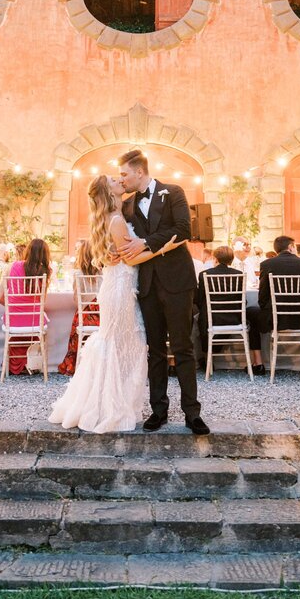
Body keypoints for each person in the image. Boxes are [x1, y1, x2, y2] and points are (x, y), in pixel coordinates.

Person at [50, 175, 182, 432]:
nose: (119, 179)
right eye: (113, 179)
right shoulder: (117, 220)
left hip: (121, 287)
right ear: (107, 191)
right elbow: (130, 260)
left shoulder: (119, 216)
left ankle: (110, 402)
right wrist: (164, 248)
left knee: (123, 345)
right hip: (121, 290)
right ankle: (109, 406)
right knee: (124, 346)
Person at [117, 149, 210, 436]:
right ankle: (158, 411)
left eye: (124, 174)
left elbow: (183, 229)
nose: (122, 180)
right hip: (146, 284)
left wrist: (144, 242)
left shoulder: (173, 191)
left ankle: (192, 413)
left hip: (178, 282)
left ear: (140, 172)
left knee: (183, 347)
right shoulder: (127, 205)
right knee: (154, 351)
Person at [196, 245, 265, 375]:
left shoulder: (204, 274)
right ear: (231, 260)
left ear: (214, 259)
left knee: (202, 314)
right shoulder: (239, 275)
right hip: (235, 318)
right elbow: (242, 300)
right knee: (253, 311)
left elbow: (200, 300)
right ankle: (257, 360)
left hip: (212, 319)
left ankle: (207, 360)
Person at [0, 239, 52, 375]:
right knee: (43, 319)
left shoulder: (12, 267)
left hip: (13, 320)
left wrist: (14, 307)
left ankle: (17, 362)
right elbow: (42, 302)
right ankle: (35, 361)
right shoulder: (46, 271)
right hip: (34, 321)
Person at [257, 235, 300, 337]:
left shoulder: (266, 264)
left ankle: (263, 352)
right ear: (290, 247)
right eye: (295, 247)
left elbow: (262, 296)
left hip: (276, 318)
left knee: (254, 312)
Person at [58, 239, 100, 375]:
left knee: (76, 321)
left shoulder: (78, 274)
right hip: (102, 318)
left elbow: (77, 301)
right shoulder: (102, 272)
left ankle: (75, 364)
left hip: (87, 319)